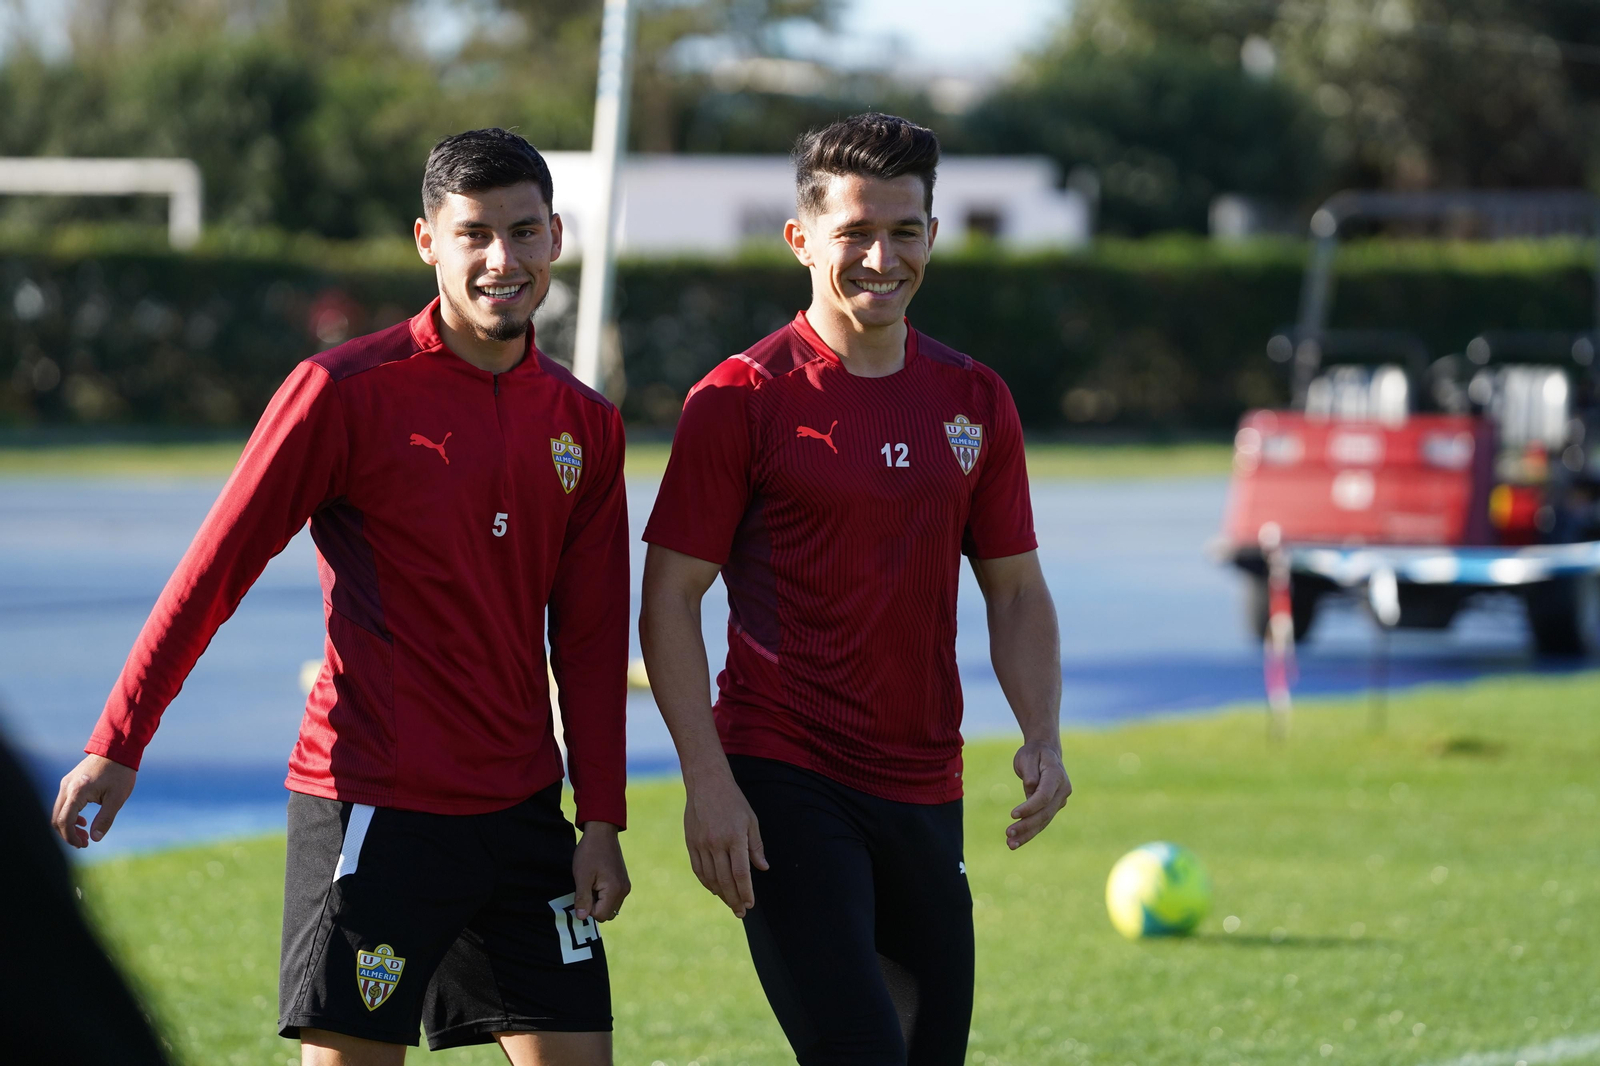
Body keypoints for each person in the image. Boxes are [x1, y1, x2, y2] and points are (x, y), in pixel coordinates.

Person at [50, 128, 631, 1066]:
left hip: (525, 815)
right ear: (425, 241)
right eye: (473, 234)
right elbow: (213, 572)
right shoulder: (341, 392)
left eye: (524, 233)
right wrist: (119, 741)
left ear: (556, 238)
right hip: (374, 803)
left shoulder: (586, 426)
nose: (501, 261)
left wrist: (599, 814)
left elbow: (594, 639)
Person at [639, 112, 1073, 1066]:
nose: (883, 257)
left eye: (906, 230)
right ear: (802, 240)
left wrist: (1042, 733)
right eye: (856, 233)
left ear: (932, 234)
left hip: (927, 782)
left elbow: (1015, 591)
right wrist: (707, 782)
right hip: (784, 778)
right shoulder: (740, 400)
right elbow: (670, 598)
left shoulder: (975, 398)